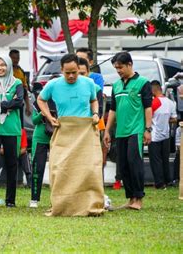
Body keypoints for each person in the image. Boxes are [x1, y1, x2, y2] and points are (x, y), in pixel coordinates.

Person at [38, 54, 103, 216]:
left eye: (75, 72)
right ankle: (62, 204)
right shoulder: (53, 84)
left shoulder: (88, 83)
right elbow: (40, 99)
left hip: (85, 132)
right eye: (68, 73)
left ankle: (88, 204)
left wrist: (95, 113)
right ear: (62, 70)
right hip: (64, 131)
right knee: (60, 168)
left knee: (88, 169)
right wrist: (49, 116)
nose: (72, 76)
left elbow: (94, 100)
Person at [104, 52, 153, 211]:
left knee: (134, 162)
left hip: (136, 131)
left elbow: (148, 107)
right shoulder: (116, 85)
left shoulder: (143, 83)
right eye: (116, 68)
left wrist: (147, 129)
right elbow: (113, 110)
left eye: (120, 67)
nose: (118, 70)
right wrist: (107, 131)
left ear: (130, 64)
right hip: (120, 132)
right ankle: (131, 199)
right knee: (123, 166)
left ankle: (138, 199)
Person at [0, 55, 24, 208]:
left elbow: (19, 102)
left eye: (3, 65)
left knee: (12, 164)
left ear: (9, 66)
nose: (0, 68)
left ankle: (10, 200)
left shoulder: (17, 83)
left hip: (12, 129)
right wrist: (7, 104)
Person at [149, 80, 177, 189]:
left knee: (156, 160)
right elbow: (174, 119)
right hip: (166, 135)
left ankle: (159, 183)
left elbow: (148, 117)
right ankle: (168, 180)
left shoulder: (154, 102)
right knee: (165, 159)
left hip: (154, 135)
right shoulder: (170, 102)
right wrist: (165, 120)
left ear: (153, 90)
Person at [28, 83, 52, 208]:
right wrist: (42, 113)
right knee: (38, 169)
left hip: (56, 138)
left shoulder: (59, 102)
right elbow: (34, 121)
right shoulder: (37, 103)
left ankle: (57, 198)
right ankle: (34, 199)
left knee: (59, 169)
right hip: (40, 138)